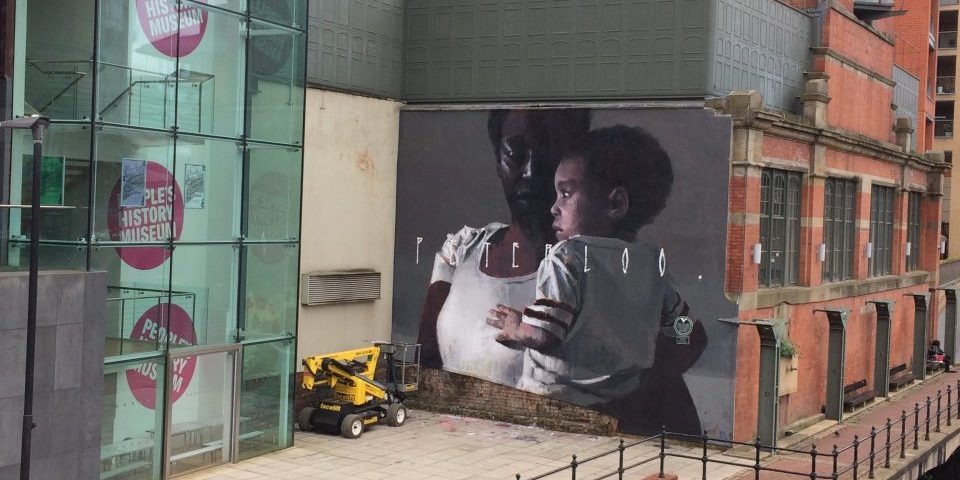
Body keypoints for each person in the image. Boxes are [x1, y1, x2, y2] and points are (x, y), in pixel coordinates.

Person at [485, 125, 707, 434]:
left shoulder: (567, 257)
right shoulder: (650, 265)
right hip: (622, 408)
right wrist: (650, 367)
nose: (554, 207)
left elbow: (545, 335)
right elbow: (690, 332)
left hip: (557, 407)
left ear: (615, 204)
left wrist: (516, 326)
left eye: (566, 194)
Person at [416, 109, 591, 386]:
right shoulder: (461, 250)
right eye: (516, 154)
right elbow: (424, 361)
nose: (531, 173)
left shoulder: (592, 267)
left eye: (548, 154)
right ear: (498, 161)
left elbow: (681, 339)